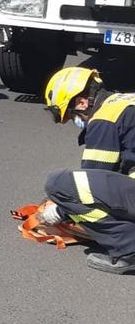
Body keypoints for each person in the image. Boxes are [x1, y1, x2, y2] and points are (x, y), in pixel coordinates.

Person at [38, 66, 135, 274]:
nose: (76, 121)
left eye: (73, 116)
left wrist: (60, 210)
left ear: (82, 102)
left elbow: (90, 179)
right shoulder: (126, 102)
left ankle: (129, 249)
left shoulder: (104, 118)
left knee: (58, 184)